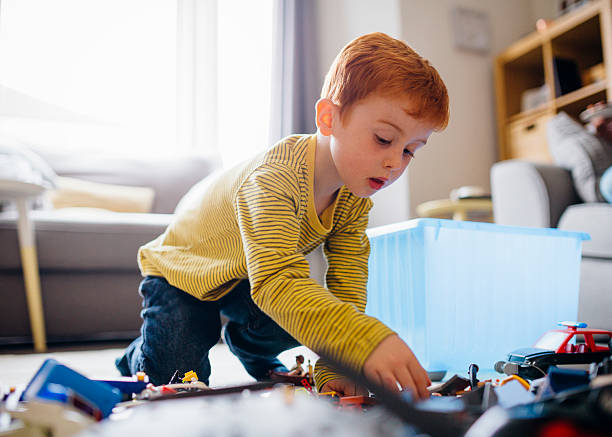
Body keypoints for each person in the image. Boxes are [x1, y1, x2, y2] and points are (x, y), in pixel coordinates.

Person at [115, 32, 449, 400]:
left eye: (410, 151)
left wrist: (339, 364)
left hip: (245, 275)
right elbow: (276, 282)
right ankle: (138, 356)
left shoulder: (354, 198)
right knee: (177, 384)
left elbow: (347, 283)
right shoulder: (276, 178)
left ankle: (249, 345)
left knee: (311, 308)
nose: (394, 162)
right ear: (329, 118)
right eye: (384, 139)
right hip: (183, 272)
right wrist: (363, 339)